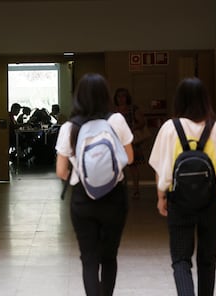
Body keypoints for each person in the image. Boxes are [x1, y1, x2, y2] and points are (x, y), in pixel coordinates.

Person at [148, 77, 216, 296]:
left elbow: (160, 167)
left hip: (179, 203)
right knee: (207, 260)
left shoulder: (169, 129)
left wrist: (161, 197)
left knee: (181, 259)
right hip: (211, 204)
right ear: (205, 100)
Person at [55, 73, 134, 296]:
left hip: (82, 199)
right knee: (109, 257)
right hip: (115, 197)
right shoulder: (116, 120)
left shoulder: (69, 127)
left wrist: (81, 172)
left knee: (89, 259)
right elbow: (129, 157)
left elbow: (61, 171)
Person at [114, 87, 147, 199]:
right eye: (119, 96)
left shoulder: (133, 109)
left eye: (123, 96)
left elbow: (142, 122)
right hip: (117, 141)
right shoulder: (114, 110)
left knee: (133, 166)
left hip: (130, 141)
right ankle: (120, 189)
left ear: (127, 97)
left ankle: (136, 189)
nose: (121, 99)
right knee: (118, 166)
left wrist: (131, 128)